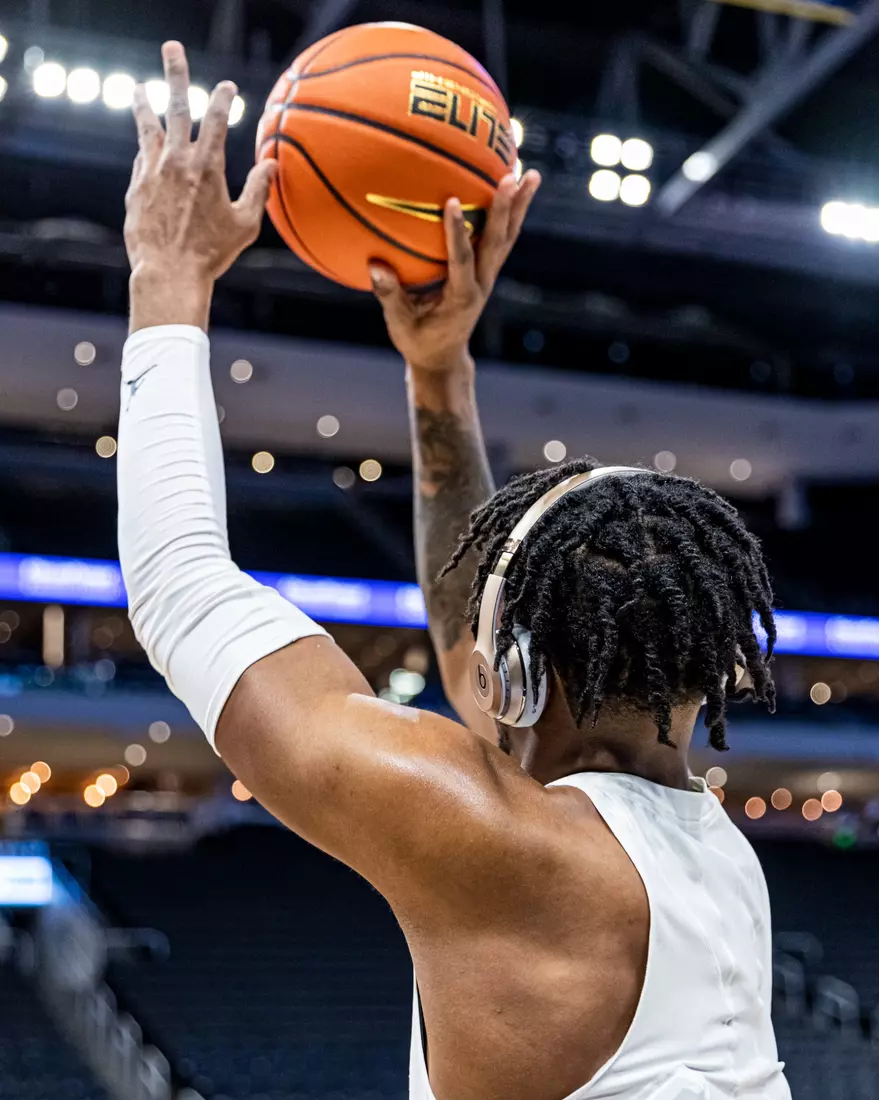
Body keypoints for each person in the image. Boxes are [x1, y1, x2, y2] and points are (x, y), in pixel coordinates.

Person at [119, 41, 790, 1100]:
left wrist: (167, 277)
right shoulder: (718, 860)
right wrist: (438, 371)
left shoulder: (507, 848)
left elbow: (179, 581)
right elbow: (472, 645)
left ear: (510, 675)